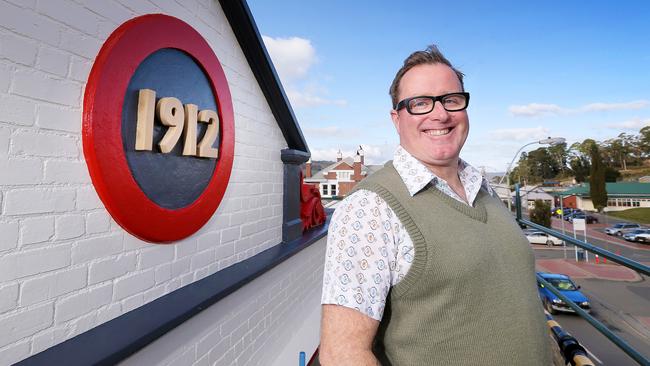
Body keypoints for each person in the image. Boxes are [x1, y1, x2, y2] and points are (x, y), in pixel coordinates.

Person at [319, 45, 550, 365]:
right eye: (420, 103)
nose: (439, 114)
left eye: (451, 100)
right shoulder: (370, 207)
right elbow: (342, 354)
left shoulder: (485, 190)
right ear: (396, 118)